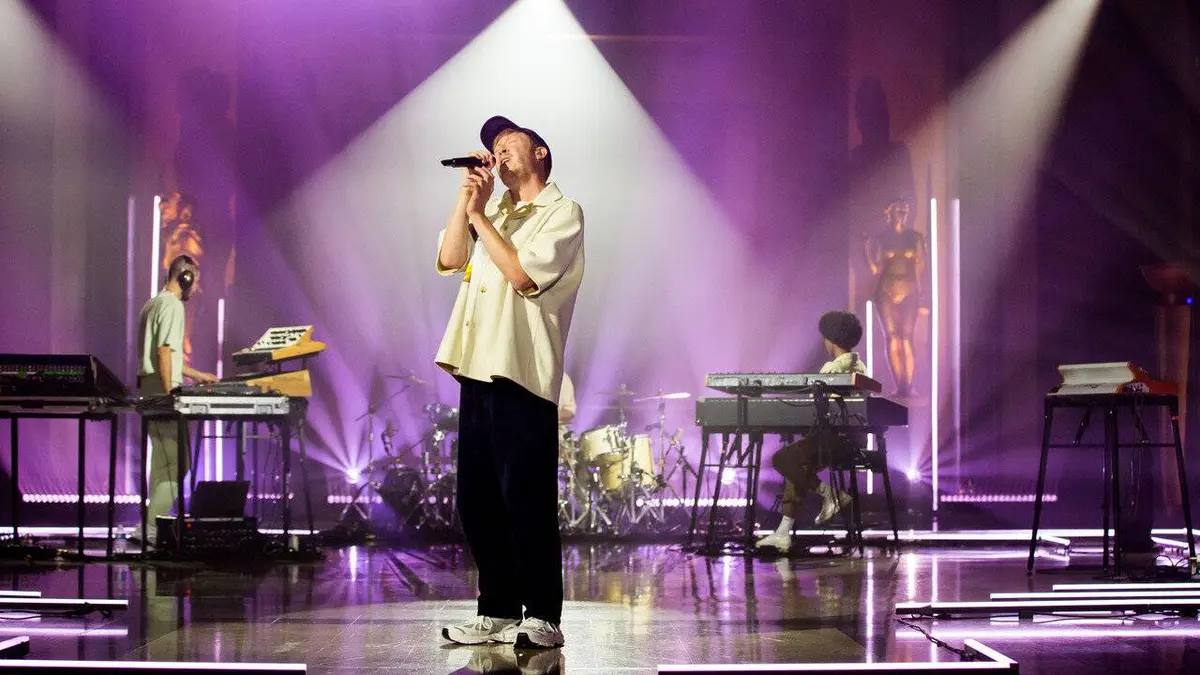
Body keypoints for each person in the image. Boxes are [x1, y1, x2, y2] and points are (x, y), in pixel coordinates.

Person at [435, 116, 584, 649]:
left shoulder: (562, 212)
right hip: (476, 367)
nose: (496, 150)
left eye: (506, 142)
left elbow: (523, 276)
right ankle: (497, 610)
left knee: (525, 500)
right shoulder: (492, 211)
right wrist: (468, 202)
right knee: (476, 501)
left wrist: (481, 217)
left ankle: (543, 615)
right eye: (491, 146)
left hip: (523, 371)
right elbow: (450, 258)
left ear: (540, 151)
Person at [757, 310, 867, 552]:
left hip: (833, 440)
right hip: (853, 441)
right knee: (797, 465)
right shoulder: (860, 365)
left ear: (830, 339)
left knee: (782, 459)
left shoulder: (833, 367)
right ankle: (783, 533)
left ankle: (831, 495)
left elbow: (818, 407)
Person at [135, 254, 218, 546]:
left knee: (162, 465)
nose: (196, 288)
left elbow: (166, 356)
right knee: (179, 465)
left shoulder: (152, 304)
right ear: (185, 277)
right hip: (163, 393)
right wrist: (172, 393)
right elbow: (163, 352)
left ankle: (148, 527)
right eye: (195, 281)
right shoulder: (172, 305)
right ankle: (149, 527)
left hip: (149, 389)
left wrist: (198, 375)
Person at [863, 198, 927, 397]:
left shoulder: (915, 237)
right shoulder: (881, 239)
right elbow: (876, 269)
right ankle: (899, 385)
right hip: (886, 290)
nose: (902, 215)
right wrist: (866, 250)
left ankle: (909, 385)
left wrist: (923, 296)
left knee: (907, 337)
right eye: (898, 210)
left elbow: (922, 267)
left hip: (909, 289)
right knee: (891, 337)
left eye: (904, 211)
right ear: (888, 213)